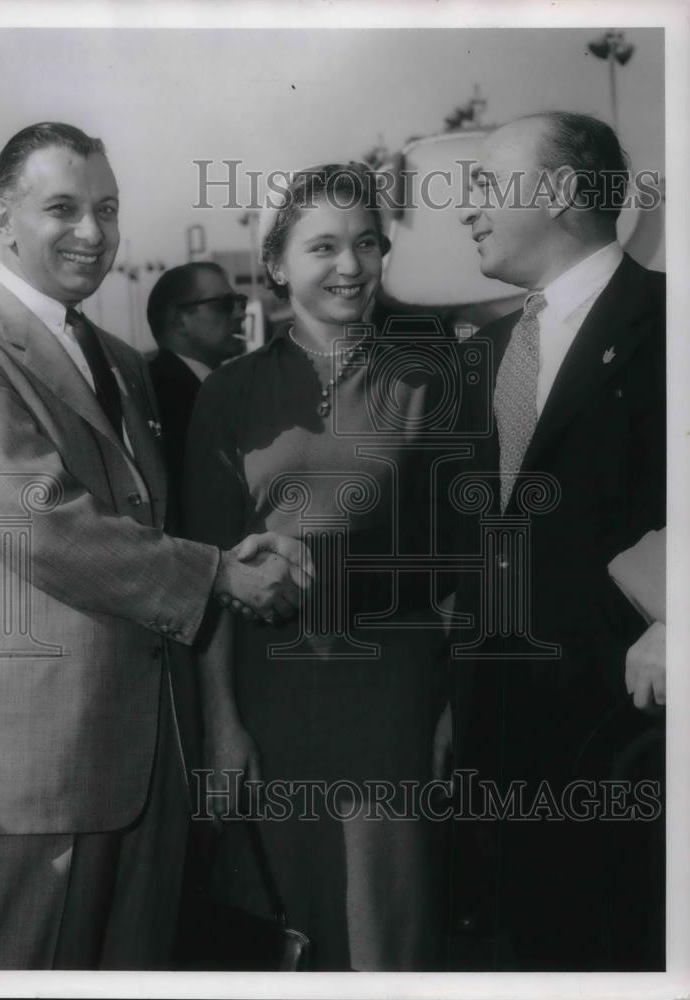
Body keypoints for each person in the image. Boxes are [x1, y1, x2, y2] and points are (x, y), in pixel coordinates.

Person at [0, 122, 311, 971]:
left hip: (143, 765)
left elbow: (142, 523)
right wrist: (216, 572)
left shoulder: (117, 360)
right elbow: (38, 520)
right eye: (61, 207)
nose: (92, 231)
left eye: (106, 208)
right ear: (2, 217)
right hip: (30, 780)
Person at [183, 162, 452, 971]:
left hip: (396, 697)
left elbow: (462, 565)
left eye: (367, 243)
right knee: (292, 933)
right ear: (275, 264)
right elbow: (206, 573)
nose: (350, 265)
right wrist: (224, 727)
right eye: (324, 246)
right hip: (273, 700)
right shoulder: (227, 394)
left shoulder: (430, 379)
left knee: (388, 936)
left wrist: (451, 708)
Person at [445, 112, 665, 970]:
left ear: (564, 193)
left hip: (629, 734)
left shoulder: (668, 321)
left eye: (486, 186)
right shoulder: (490, 350)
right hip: (504, 742)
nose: (465, 210)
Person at [147, 263, 246, 519]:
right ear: (181, 322)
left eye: (239, 302)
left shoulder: (206, 388)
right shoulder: (163, 396)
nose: (239, 314)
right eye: (224, 304)